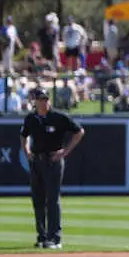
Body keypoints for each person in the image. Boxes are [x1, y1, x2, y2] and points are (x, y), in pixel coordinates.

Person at [20, 86, 85, 248]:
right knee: (38, 199)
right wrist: (26, 150)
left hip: (53, 159)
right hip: (37, 160)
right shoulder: (31, 118)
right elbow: (24, 135)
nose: (43, 102)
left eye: (45, 99)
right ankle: (42, 236)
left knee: (52, 199)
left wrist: (65, 151)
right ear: (35, 101)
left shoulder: (58, 117)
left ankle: (54, 238)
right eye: (40, 99)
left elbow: (79, 132)